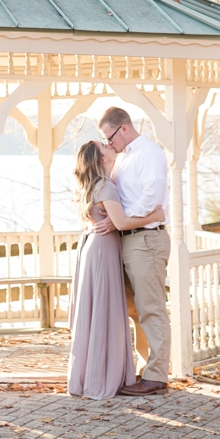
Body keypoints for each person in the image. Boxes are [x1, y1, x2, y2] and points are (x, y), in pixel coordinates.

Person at [66, 139, 163, 399]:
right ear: (100, 159)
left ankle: (93, 375)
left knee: (98, 312)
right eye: (104, 145)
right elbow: (120, 223)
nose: (110, 145)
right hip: (103, 251)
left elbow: (113, 220)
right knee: (106, 312)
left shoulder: (96, 186)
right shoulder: (106, 186)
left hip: (94, 248)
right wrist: (155, 217)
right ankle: (104, 377)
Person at [96, 106, 172, 395]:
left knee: (151, 308)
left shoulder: (149, 153)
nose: (109, 143)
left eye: (110, 137)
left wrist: (120, 221)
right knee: (134, 309)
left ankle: (157, 376)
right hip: (129, 238)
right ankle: (145, 367)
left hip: (147, 240)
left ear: (123, 129)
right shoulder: (123, 158)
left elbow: (152, 199)